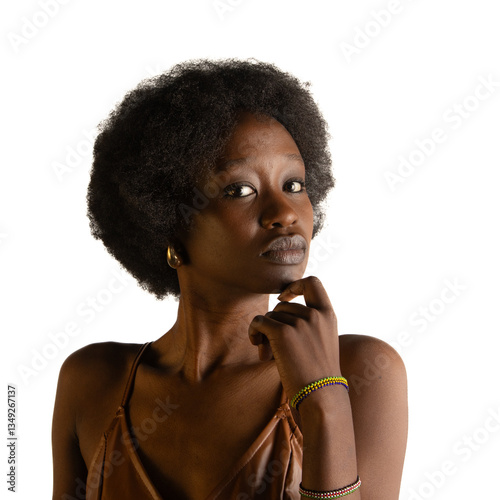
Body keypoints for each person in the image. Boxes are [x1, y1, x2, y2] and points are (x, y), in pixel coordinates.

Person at [51, 59, 408, 500]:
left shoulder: (363, 371)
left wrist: (324, 402)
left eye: (294, 184)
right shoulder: (92, 381)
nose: (285, 213)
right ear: (170, 226)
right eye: (239, 190)